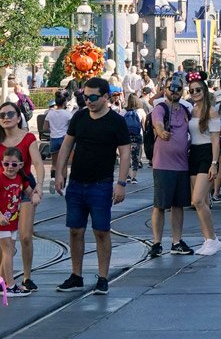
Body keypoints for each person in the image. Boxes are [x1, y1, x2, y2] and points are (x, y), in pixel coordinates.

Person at [53, 77, 131, 296]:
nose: (89, 101)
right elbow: (66, 146)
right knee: (75, 230)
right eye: (85, 97)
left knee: (101, 231)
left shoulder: (116, 121)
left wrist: (121, 183)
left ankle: (103, 278)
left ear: (106, 97)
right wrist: (59, 174)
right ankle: (76, 275)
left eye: (94, 97)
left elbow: (125, 153)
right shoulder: (79, 117)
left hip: (102, 184)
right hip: (77, 183)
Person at [0, 96, 45, 293]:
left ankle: (27, 276)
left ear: (18, 117)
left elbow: (37, 163)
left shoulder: (28, 138)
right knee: (4, 240)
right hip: (2, 191)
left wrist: (40, 186)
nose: (6, 117)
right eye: (2, 115)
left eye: (10, 114)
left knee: (25, 236)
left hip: (23, 189)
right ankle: (4, 280)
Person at [148, 73, 195, 258]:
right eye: (171, 88)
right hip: (163, 165)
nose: (174, 91)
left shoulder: (185, 110)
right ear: (164, 90)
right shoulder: (160, 108)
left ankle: (176, 242)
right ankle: (156, 243)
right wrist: (161, 132)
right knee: (159, 205)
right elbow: (157, 123)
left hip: (182, 165)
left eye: (178, 89)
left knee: (178, 205)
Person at [185, 78, 221, 255]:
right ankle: (207, 239)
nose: (195, 93)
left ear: (205, 91)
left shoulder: (212, 112)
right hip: (194, 153)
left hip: (207, 154)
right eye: (191, 91)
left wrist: (214, 163)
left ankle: (212, 239)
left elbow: (215, 140)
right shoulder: (192, 110)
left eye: (198, 90)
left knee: (197, 200)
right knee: (203, 202)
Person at [1, 146, 35, 297]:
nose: (10, 167)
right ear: (2, 163)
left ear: (20, 165)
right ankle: (10, 285)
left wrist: (36, 195)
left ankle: (2, 283)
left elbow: (29, 192)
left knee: (8, 252)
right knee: (8, 251)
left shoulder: (20, 177)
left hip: (12, 222)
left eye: (14, 164)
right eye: (6, 164)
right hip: (2, 222)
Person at [47, 91, 73, 184]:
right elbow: (71, 128)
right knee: (64, 163)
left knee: (54, 163)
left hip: (53, 138)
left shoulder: (50, 113)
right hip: (64, 139)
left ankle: (53, 179)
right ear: (64, 103)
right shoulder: (68, 114)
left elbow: (45, 127)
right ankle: (63, 184)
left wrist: (53, 130)